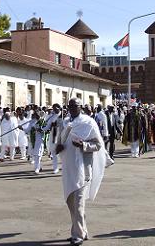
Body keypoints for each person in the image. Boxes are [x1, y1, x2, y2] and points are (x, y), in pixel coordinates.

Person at [56, 98, 106, 246]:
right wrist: (58, 148)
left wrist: (83, 144)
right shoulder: (65, 123)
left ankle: (77, 235)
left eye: (75, 106)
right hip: (68, 167)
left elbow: (98, 145)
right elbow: (60, 142)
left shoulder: (88, 123)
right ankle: (82, 231)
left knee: (78, 203)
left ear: (81, 107)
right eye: (70, 106)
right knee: (70, 202)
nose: (72, 108)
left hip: (82, 168)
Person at [42, 104, 62, 173]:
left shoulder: (63, 115)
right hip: (53, 135)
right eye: (53, 108)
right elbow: (48, 126)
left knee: (63, 153)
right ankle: (55, 168)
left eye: (56, 108)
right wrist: (41, 129)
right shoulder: (52, 116)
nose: (54, 110)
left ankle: (64, 166)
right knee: (54, 152)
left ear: (59, 108)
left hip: (62, 135)